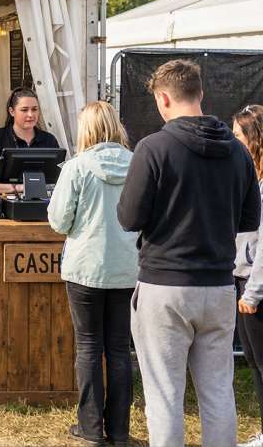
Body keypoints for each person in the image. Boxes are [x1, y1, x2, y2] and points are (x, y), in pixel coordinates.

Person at [117, 60, 261, 447]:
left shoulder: (153, 148)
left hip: (164, 284)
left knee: (165, 395)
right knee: (218, 393)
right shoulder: (237, 152)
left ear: (163, 99)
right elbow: (249, 218)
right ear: (201, 94)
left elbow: (129, 217)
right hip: (217, 284)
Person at [47, 101, 137, 446]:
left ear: (85, 129)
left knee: (88, 347)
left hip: (84, 268)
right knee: (119, 348)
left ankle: (89, 429)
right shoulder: (137, 164)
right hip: (127, 268)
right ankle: (119, 429)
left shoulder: (76, 167)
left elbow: (58, 221)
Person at [234, 104, 263, 447]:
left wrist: (253, 293)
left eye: (239, 134)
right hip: (243, 279)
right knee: (254, 362)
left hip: (255, 286)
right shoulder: (250, 177)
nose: (234, 139)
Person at [0, 87, 61, 195]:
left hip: (43, 204)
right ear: (12, 111)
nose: (30, 114)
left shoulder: (49, 140)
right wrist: (17, 188)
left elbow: (60, 179)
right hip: (4, 205)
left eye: (34, 109)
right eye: (24, 110)